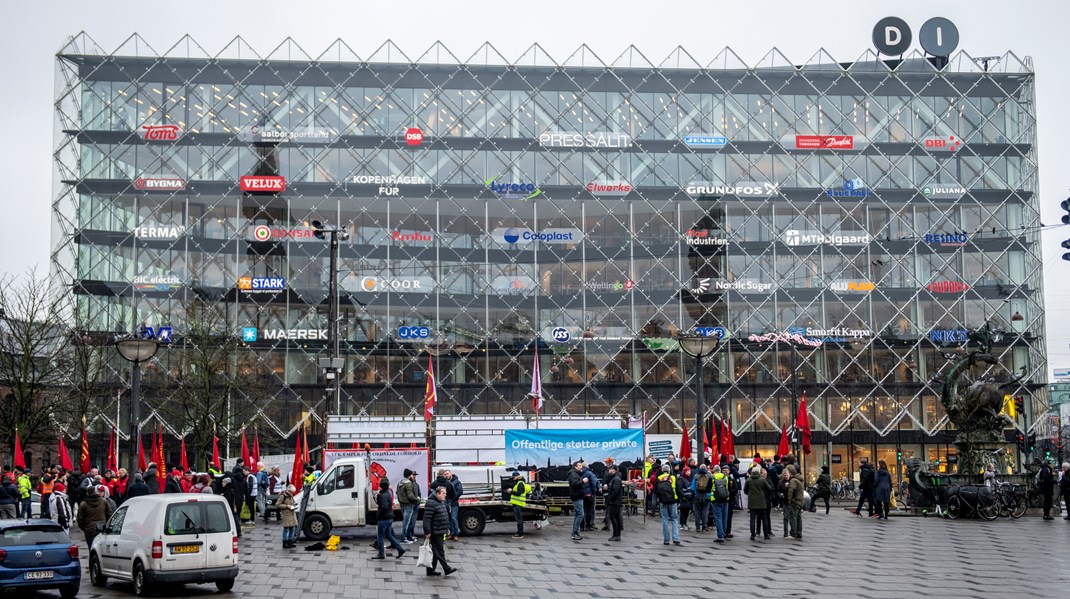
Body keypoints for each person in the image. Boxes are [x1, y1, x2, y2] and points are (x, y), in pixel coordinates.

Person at [423, 486, 457, 577]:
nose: (445, 495)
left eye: (445, 493)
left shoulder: (441, 502)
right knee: (440, 551)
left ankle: (430, 570)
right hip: (436, 531)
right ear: (437, 493)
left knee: (435, 552)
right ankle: (446, 568)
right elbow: (427, 519)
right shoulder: (431, 503)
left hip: (441, 530)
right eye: (443, 493)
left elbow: (444, 517)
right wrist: (427, 532)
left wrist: (447, 529)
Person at [372, 480, 405, 559]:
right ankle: (400, 549)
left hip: (384, 518)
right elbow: (381, 504)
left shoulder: (384, 495)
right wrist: (377, 497)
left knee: (380, 536)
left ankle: (381, 554)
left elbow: (384, 506)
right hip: (389, 517)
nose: (378, 487)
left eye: (379, 486)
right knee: (389, 535)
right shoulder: (386, 494)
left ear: (382, 487)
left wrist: (378, 514)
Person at [76, 486, 113, 552]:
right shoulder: (103, 501)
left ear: (87, 493)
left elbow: (80, 518)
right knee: (102, 550)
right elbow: (109, 514)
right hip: (101, 528)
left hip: (89, 530)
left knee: (91, 549)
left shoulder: (83, 504)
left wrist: (83, 528)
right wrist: (106, 525)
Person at [655, 464, 682, 546]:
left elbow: (656, 491)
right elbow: (678, 489)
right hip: (673, 500)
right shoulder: (673, 477)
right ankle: (676, 538)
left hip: (663, 501)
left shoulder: (659, 478)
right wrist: (680, 499)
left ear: (662, 470)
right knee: (674, 519)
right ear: (669, 470)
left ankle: (666, 540)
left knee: (665, 520)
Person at [744, 466, 772, 540]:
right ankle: (766, 534)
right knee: (764, 518)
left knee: (752, 519)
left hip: (752, 502)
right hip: (762, 502)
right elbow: (770, 488)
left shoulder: (748, 480)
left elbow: (745, 491)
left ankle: (753, 535)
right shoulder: (762, 480)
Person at [397, 469, 420, 543]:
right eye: (412, 475)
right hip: (409, 505)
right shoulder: (409, 483)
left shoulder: (400, 482)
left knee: (407, 522)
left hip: (402, 504)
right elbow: (410, 496)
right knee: (406, 523)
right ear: (409, 475)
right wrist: (417, 499)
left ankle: (409, 537)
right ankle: (403, 538)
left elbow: (397, 493)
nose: (413, 476)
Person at [567, 461, 587, 541]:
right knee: (580, 514)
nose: (581, 466)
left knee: (578, 514)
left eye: (581, 465)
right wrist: (583, 481)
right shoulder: (574, 474)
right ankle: (574, 532)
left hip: (577, 495)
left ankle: (575, 532)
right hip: (577, 496)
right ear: (575, 466)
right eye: (579, 465)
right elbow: (575, 483)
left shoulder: (575, 473)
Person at [507, 471, 529, 539]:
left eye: (513, 477)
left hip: (518, 503)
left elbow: (519, 493)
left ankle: (520, 533)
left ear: (517, 476)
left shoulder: (520, 483)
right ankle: (519, 532)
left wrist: (511, 491)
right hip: (517, 503)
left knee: (519, 519)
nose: (513, 478)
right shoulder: (519, 482)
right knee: (518, 518)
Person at [604, 464, 623, 541]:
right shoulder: (614, 478)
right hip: (615, 501)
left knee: (613, 517)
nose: (609, 470)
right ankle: (617, 534)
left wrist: (610, 499)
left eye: (610, 469)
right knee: (616, 517)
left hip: (615, 501)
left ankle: (616, 534)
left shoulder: (616, 479)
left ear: (614, 470)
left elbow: (616, 491)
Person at [691, 465, 712, 533]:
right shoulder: (710, 476)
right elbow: (712, 487)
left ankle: (697, 527)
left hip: (697, 496)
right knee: (705, 512)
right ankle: (704, 526)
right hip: (707, 497)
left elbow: (693, 487)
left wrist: (695, 494)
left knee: (697, 512)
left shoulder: (696, 476)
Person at [276, 484, 298, 548]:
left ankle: (290, 541)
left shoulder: (290, 495)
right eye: (291, 492)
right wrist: (286, 506)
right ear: (288, 490)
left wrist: (295, 505)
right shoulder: (283, 496)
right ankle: (285, 542)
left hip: (292, 513)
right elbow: (277, 504)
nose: (291, 493)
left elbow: (293, 502)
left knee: (292, 528)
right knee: (286, 528)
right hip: (286, 514)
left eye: (292, 492)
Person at [786, 465, 804, 539]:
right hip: (800, 501)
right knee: (798, 518)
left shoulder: (793, 480)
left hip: (795, 501)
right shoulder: (799, 479)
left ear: (790, 473)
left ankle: (793, 533)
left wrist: (789, 500)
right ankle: (799, 532)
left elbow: (791, 490)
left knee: (793, 518)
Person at [580, 462, 598, 532]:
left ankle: (581, 526)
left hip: (581, 494)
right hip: (589, 495)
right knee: (589, 511)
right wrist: (594, 492)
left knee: (582, 510)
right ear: (587, 466)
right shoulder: (590, 473)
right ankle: (588, 526)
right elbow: (594, 483)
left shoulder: (578, 473)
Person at [448, 470, 463, 541]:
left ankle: (456, 534)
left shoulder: (456, 481)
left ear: (451, 474)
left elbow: (460, 491)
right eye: (445, 474)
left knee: (454, 518)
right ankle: (451, 533)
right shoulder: (446, 482)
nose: (446, 475)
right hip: (448, 503)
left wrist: (453, 498)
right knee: (449, 519)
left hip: (454, 503)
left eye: (447, 473)